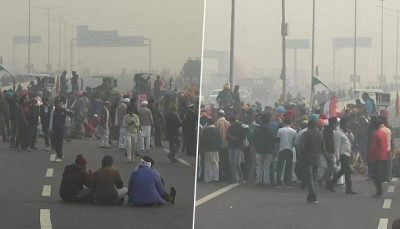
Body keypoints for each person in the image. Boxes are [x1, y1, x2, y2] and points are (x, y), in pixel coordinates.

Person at [327, 118, 357, 194]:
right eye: (346, 124)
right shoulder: (338, 133)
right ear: (342, 124)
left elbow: (352, 140)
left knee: (342, 171)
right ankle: (349, 189)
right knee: (347, 172)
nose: (347, 125)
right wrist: (337, 158)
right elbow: (336, 146)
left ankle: (330, 185)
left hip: (347, 154)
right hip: (342, 154)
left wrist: (349, 133)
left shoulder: (345, 132)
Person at [300, 116, 325, 204]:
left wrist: (303, 155)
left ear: (309, 125)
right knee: (314, 177)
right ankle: (311, 196)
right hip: (317, 158)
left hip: (308, 158)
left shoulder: (306, 134)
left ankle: (313, 196)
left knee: (309, 177)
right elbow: (323, 148)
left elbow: (302, 147)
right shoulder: (320, 134)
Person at [369, 115, 392, 197]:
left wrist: (371, 157)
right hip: (384, 155)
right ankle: (380, 190)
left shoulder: (376, 134)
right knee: (380, 173)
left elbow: (373, 148)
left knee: (375, 175)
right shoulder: (384, 133)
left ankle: (379, 191)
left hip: (377, 156)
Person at [253, 112, 276, 186]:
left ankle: (258, 180)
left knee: (259, 166)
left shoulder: (257, 129)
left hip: (259, 149)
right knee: (266, 166)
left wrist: (256, 147)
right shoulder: (270, 129)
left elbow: (254, 139)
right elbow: (273, 139)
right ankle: (266, 181)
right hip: (269, 150)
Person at [276, 119, 297, 186]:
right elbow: (295, 142)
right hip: (290, 150)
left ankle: (279, 181)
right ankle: (288, 182)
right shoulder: (294, 131)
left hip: (281, 150)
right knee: (289, 167)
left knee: (280, 166)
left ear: (284, 123)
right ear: (290, 123)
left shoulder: (280, 130)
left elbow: (278, 140)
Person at [226, 117, 246, 182]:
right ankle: (234, 177)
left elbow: (243, 137)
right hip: (231, 146)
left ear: (233, 121)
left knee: (236, 163)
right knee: (231, 162)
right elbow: (227, 137)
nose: (230, 123)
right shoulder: (230, 128)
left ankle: (240, 176)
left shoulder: (240, 128)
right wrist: (230, 138)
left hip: (238, 146)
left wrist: (234, 138)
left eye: (230, 122)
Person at [214, 110, 231, 181]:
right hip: (227, 145)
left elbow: (215, 134)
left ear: (218, 115)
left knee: (219, 161)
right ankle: (227, 176)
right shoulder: (227, 122)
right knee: (226, 161)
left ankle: (220, 176)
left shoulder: (217, 122)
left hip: (219, 145)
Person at [322, 117, 339, 189]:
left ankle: (324, 181)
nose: (336, 126)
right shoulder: (328, 132)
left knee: (330, 168)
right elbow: (327, 143)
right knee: (333, 169)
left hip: (331, 152)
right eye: (336, 124)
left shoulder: (329, 131)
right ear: (333, 124)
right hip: (329, 152)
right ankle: (329, 184)